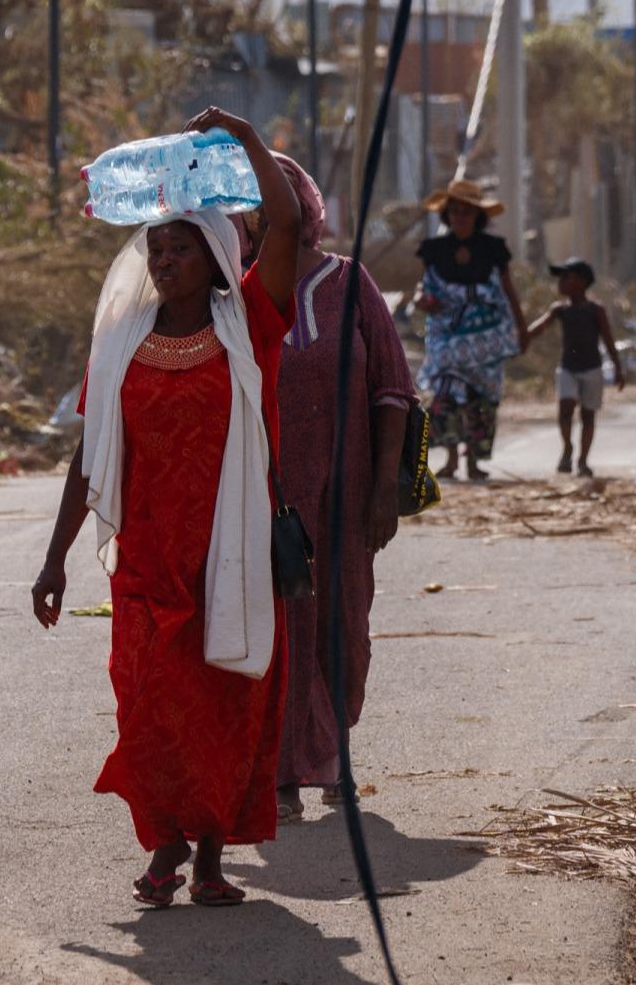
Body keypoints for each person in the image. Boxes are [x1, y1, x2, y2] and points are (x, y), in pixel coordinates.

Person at [32, 107, 304, 910]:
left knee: (223, 700)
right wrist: (53, 559)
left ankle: (212, 854)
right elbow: (91, 454)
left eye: (180, 246)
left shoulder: (250, 324)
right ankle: (167, 844)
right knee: (149, 702)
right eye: (156, 247)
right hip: (148, 560)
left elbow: (283, 219)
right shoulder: (120, 342)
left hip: (231, 551)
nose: (164, 259)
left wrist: (246, 136)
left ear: (215, 257)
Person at [246, 153, 416, 819]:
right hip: (273, 498)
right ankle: (286, 773)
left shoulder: (351, 282)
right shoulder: (238, 293)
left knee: (346, 624)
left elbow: (394, 390)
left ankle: (336, 751)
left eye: (281, 200)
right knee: (284, 628)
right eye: (260, 203)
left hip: (348, 495)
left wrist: (382, 489)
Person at [414, 179, 526, 482]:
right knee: (445, 397)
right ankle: (450, 460)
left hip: (487, 337)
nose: (461, 216)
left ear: (478, 215)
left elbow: (507, 289)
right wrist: (423, 301)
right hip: (446, 336)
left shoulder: (493, 248)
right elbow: (424, 288)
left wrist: (521, 328)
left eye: (467, 211)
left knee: (482, 400)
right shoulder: (434, 249)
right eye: (455, 211)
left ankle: (474, 461)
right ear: (446, 215)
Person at [526, 258, 625, 477]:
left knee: (588, 415)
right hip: (568, 368)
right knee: (565, 409)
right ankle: (567, 449)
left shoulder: (595, 310)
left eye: (565, 277)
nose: (560, 282)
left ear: (581, 282)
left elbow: (608, 340)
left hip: (592, 368)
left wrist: (618, 368)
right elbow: (539, 327)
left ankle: (583, 460)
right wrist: (521, 337)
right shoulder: (559, 310)